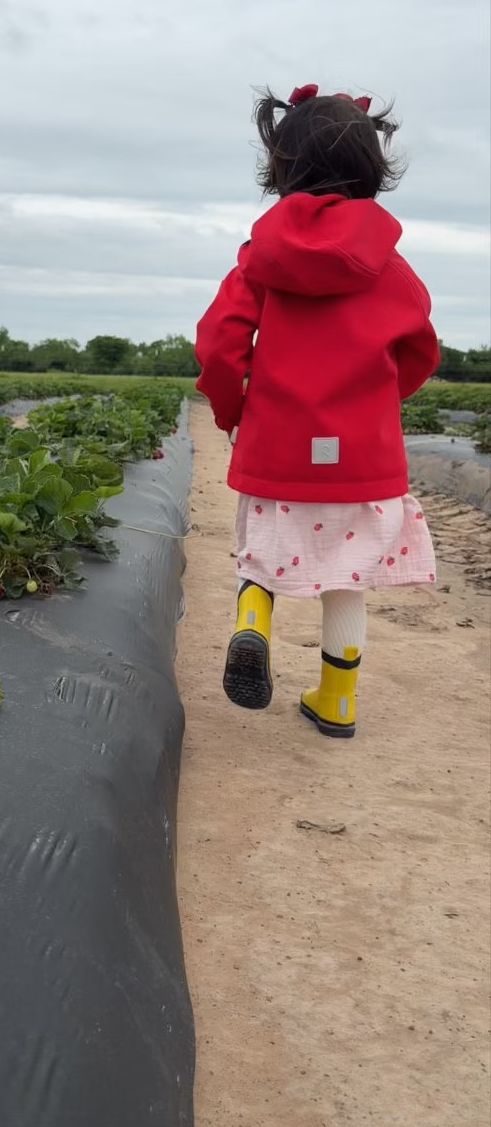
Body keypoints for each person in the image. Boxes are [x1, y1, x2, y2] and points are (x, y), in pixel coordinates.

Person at [195, 83, 440, 739]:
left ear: (280, 167)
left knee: (261, 556)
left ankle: (252, 625)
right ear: (373, 169)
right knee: (346, 580)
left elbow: (219, 344)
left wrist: (233, 410)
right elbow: (420, 350)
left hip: (277, 443)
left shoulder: (259, 259)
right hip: (362, 456)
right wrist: (376, 406)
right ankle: (336, 702)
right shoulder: (390, 267)